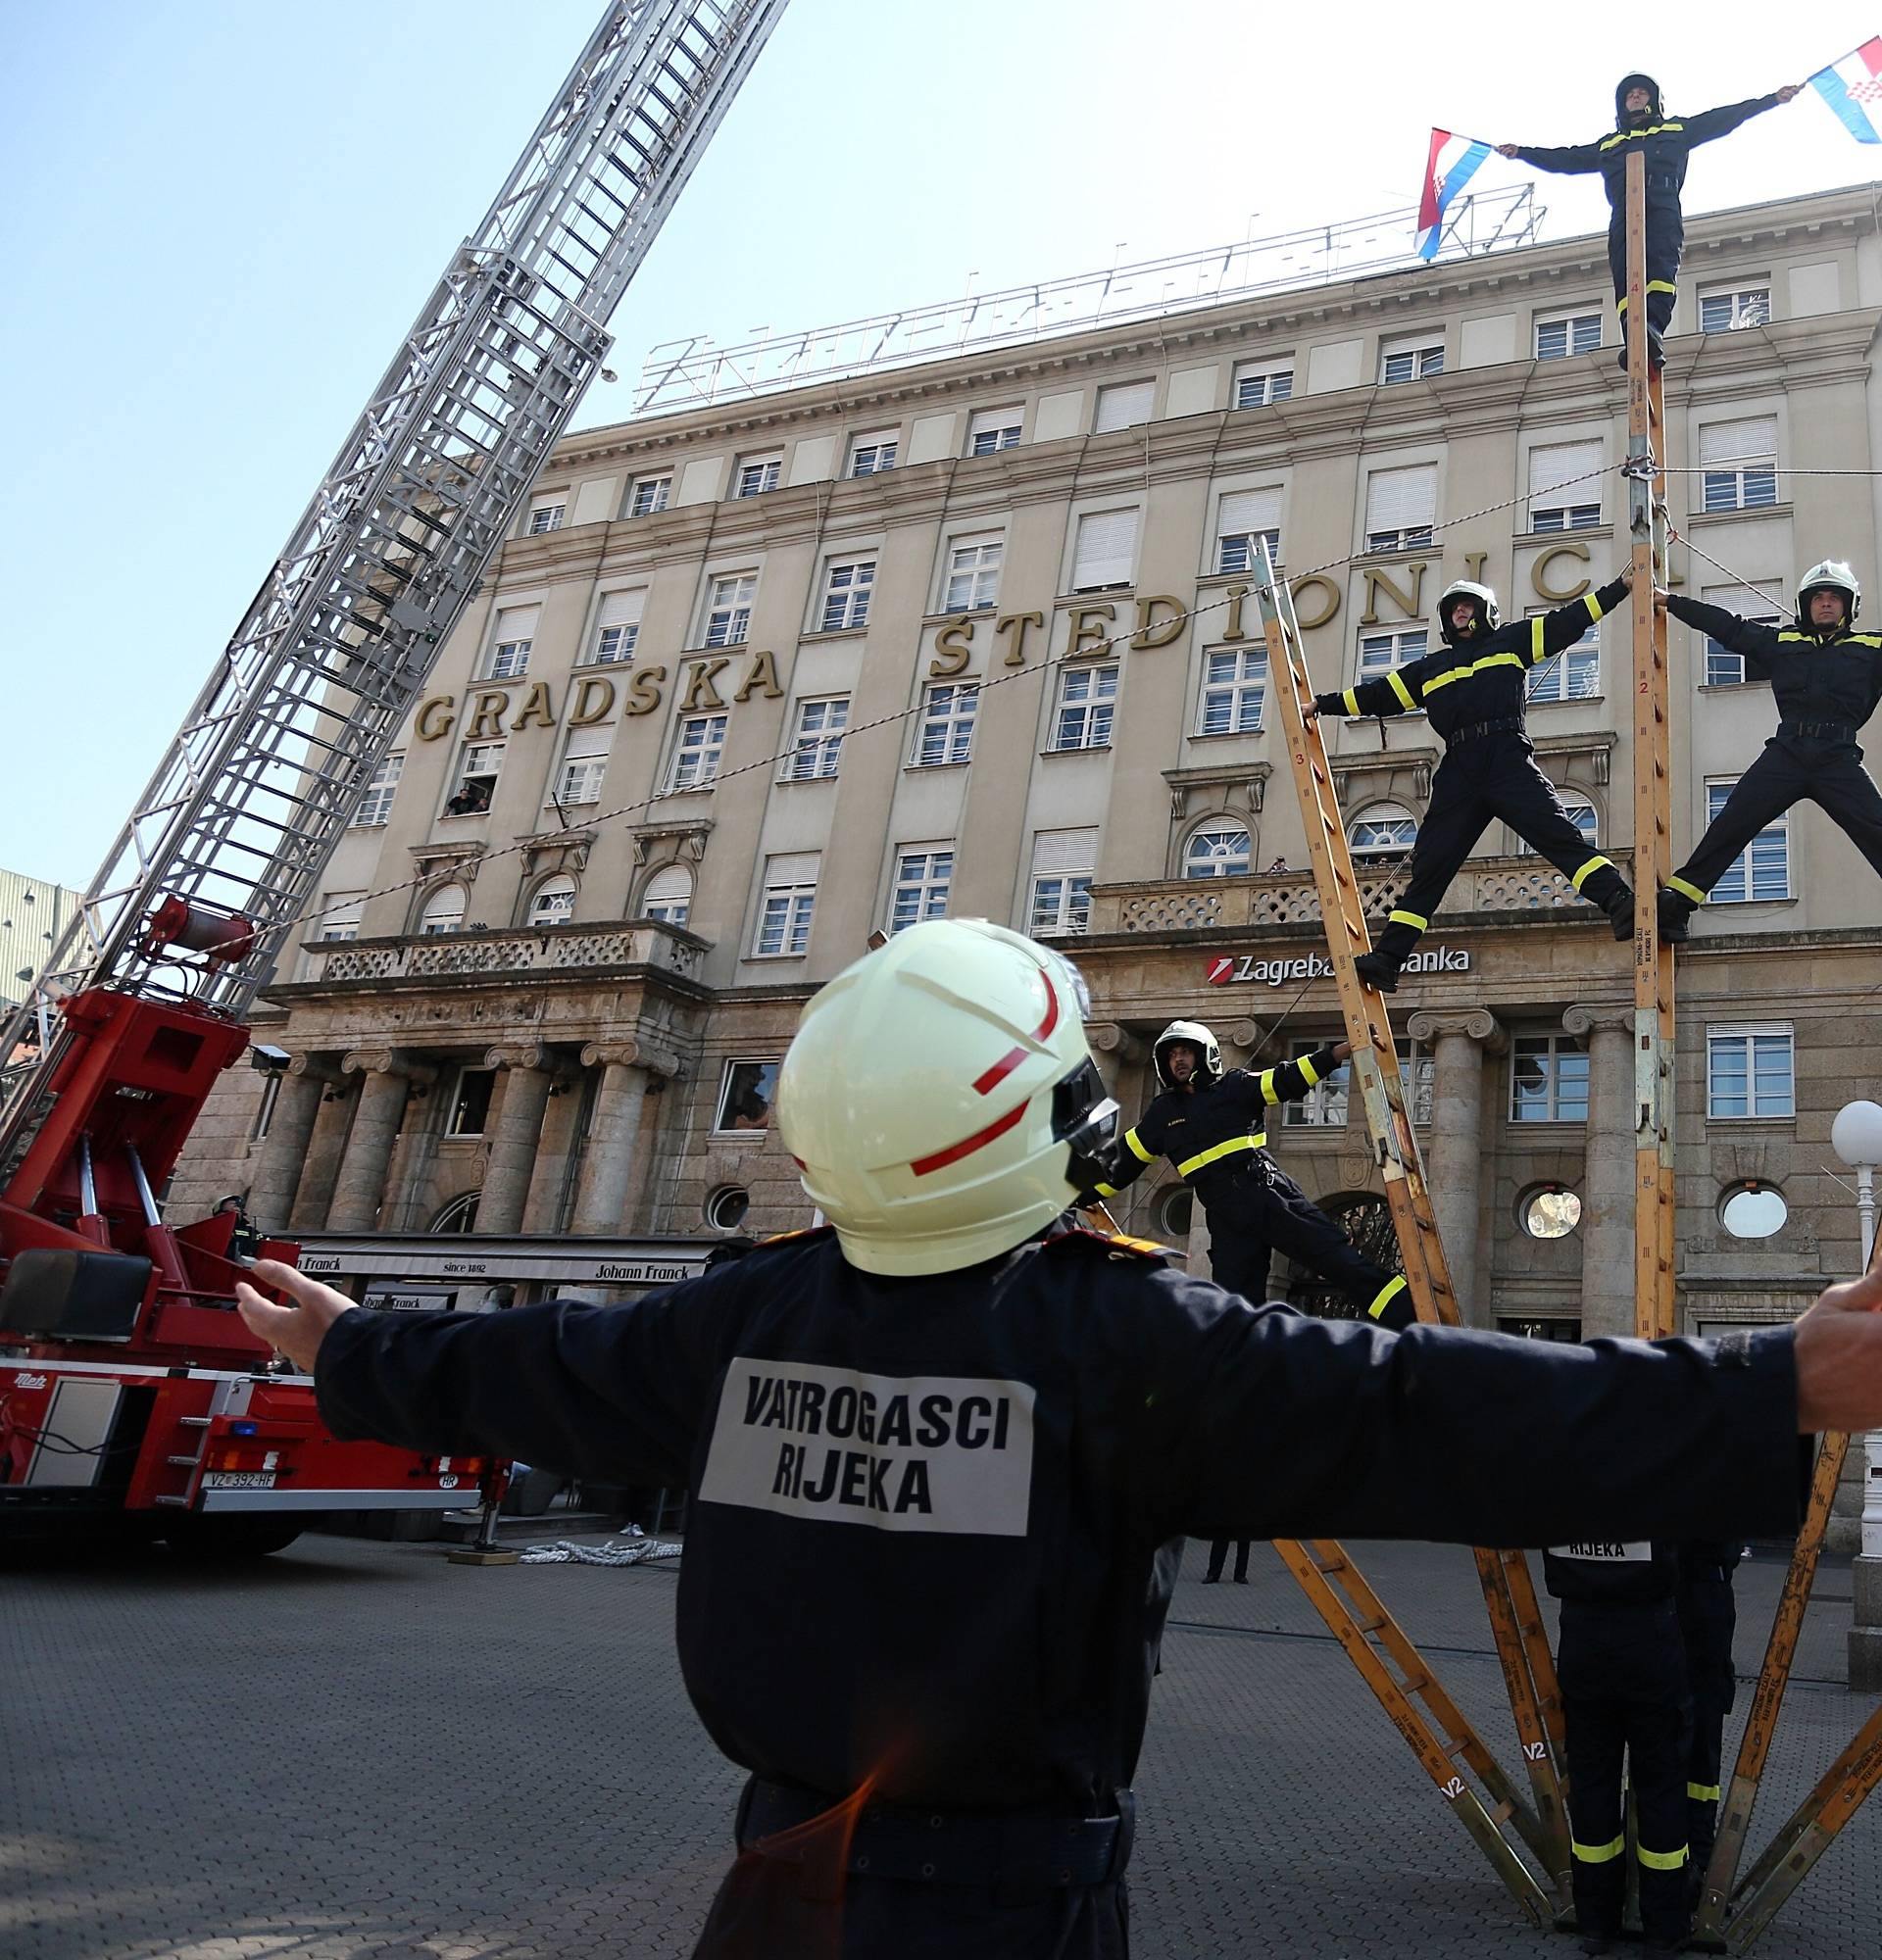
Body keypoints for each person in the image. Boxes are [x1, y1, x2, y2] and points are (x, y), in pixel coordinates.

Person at [235, 918, 1882, 1960]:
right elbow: (1433, 1413)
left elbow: (536, 1369)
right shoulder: (1113, 1342)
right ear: (1065, 1126)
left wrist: (358, 1349)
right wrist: (1761, 1385)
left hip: (779, 1870)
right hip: (1012, 1894)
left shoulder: (742, 1322)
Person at [1307, 577, 1636, 993]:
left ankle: (1621, 903)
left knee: (1560, 837)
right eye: (1454, 609)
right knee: (1429, 866)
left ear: (1486, 611)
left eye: (1467, 606)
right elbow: (1375, 695)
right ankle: (1388, 959)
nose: (1460, 613)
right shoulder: (1430, 668)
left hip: (1505, 755)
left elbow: (1569, 620)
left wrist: (1621, 587)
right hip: (1458, 765)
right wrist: (1323, 705)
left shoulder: (1513, 641)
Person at [1093, 1019, 1412, 1329]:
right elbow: (1121, 1164)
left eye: (1185, 1052)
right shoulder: (1161, 1114)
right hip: (1224, 1215)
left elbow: (1287, 1079)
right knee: (1235, 1305)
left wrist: (1341, 1052)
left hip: (1266, 1193)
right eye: (1172, 1054)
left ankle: (1413, 1317)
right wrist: (1075, 1195)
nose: (1178, 1060)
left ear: (1205, 1054)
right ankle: (1249, 1373)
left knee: (1336, 1260)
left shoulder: (1233, 1087)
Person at [1498, 74, 1800, 369]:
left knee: (1660, 264)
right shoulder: (1609, 144)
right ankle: (1634, 336)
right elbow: (1566, 159)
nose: (1636, 97)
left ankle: (1652, 328)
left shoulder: (1676, 128)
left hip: (1662, 203)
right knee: (1625, 271)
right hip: (1624, 211)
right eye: (1630, 95)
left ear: (1653, 100)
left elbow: (1723, 118)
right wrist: (1523, 153)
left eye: (1641, 93)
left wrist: (1771, 100)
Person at [1655, 564, 1882, 940]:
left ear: (1849, 607)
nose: (1825, 605)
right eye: (1819, 599)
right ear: (1805, 606)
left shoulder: (1872, 648)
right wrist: (1672, 602)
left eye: (1834, 598)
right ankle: (1677, 903)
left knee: (1876, 828)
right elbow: (1728, 627)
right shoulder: (1783, 642)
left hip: (1838, 756)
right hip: (1787, 753)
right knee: (1732, 822)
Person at [1543, 1539, 1694, 1953]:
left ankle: (1595, 1921)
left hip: (1581, 1637)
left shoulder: (1555, 1484)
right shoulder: (1655, 1477)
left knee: (1591, 1782)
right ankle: (1663, 1926)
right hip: (1649, 1635)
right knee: (1660, 1783)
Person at [1676, 1538, 1743, 1903]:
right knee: (1699, 1747)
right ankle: (1695, 1862)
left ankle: (1693, 1860)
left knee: (1689, 1747)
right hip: (1700, 1600)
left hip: (1680, 1602)